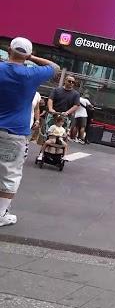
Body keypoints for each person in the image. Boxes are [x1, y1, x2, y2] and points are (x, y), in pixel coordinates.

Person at [0, 37, 59, 226]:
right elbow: (55, 67)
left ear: (9, 49)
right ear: (27, 54)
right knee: (10, 174)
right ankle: (1, 214)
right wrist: (31, 57)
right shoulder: (32, 74)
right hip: (15, 132)